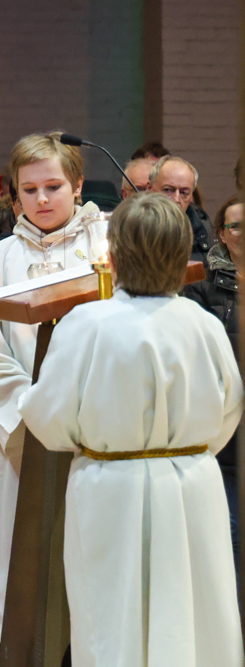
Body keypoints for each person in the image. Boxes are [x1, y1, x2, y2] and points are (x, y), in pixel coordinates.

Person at [19, 192, 244, 666]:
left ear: (115, 255)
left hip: (110, 490)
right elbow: (229, 410)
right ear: (182, 257)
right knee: (194, 621)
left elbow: (49, 419)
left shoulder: (87, 324)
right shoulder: (203, 325)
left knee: (112, 626)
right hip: (194, 486)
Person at [0, 132, 107, 665]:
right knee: (33, 555)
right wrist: (35, 409)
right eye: (29, 190)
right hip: (28, 432)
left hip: (100, 429)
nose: (42, 199)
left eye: (53, 186)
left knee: (97, 557)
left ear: (77, 185)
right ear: (14, 195)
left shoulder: (107, 244)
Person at [184, 193, 243, 586]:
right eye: (236, 226)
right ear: (220, 232)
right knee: (231, 527)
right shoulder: (202, 281)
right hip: (225, 423)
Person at [149, 155, 213, 262]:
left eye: (184, 193)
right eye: (168, 190)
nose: (176, 199)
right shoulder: (132, 229)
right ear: (149, 190)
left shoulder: (204, 233)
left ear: (191, 196)